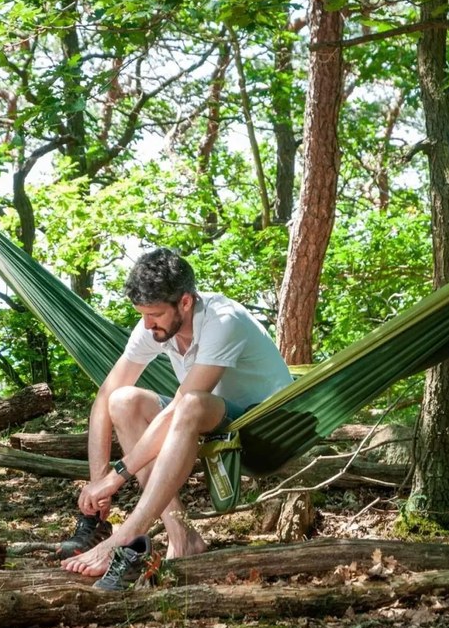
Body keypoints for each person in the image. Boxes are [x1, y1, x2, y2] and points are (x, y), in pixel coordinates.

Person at [59, 247, 292, 588]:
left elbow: (184, 405)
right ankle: (183, 539)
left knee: (190, 403)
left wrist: (118, 475)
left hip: (264, 426)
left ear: (185, 302)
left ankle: (126, 538)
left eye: (154, 314)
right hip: (209, 417)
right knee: (124, 401)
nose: (146, 323)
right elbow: (106, 395)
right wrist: (99, 482)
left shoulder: (223, 321)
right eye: (142, 314)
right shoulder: (154, 326)